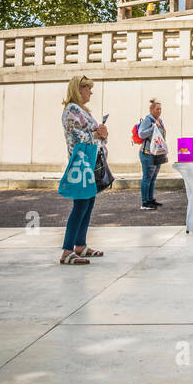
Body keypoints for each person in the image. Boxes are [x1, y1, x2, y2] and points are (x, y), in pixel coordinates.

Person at [60, 75, 108, 264]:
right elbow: (76, 135)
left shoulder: (83, 110)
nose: (91, 92)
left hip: (89, 162)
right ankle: (66, 251)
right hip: (80, 163)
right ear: (78, 90)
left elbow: (94, 134)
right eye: (88, 88)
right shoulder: (71, 110)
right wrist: (97, 133)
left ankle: (80, 245)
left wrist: (102, 133)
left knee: (88, 204)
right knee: (80, 206)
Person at [138, 98, 167, 211]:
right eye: (157, 109)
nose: (159, 111)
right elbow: (141, 134)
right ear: (151, 110)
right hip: (147, 153)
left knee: (153, 178)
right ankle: (144, 202)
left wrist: (164, 153)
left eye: (160, 109)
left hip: (157, 153)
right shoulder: (148, 120)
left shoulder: (160, 120)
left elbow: (162, 137)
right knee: (147, 177)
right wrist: (152, 128)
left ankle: (150, 199)